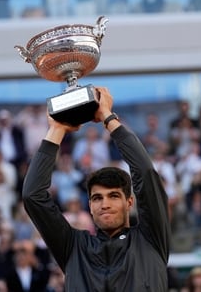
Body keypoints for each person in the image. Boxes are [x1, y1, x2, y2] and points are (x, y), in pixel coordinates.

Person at [22, 86, 171, 290]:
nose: (105, 204)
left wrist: (107, 117)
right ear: (90, 206)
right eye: (97, 198)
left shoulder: (150, 238)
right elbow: (32, 195)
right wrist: (56, 130)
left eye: (113, 196)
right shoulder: (73, 246)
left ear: (129, 202)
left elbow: (145, 172)